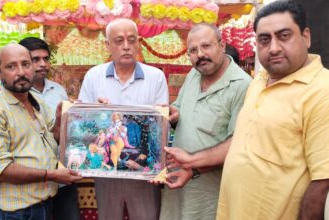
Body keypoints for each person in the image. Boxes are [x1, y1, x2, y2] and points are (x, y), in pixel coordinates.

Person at [217, 1, 329, 219]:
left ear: (306, 37)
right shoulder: (260, 80)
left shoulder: (322, 90)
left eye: (284, 36)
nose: (274, 47)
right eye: (264, 39)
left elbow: (322, 182)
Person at [0, 43, 82, 220]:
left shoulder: (35, 99)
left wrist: (61, 118)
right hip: (14, 213)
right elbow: (0, 170)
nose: (21, 72)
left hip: (43, 205)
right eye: (11, 66)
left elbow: (52, 139)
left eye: (26, 64)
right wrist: (51, 175)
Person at [159, 23, 251, 220]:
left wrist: (193, 169)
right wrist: (174, 113)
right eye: (193, 50)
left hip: (208, 190)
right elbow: (181, 108)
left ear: (222, 45)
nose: (200, 54)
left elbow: (238, 145)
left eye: (206, 46)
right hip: (176, 182)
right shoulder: (194, 73)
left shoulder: (242, 86)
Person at [78, 18, 168, 220]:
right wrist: (97, 114)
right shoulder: (94, 76)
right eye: (119, 41)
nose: (126, 46)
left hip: (143, 173)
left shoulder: (155, 77)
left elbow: (160, 127)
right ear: (107, 45)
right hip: (107, 170)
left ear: (139, 42)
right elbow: (84, 126)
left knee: (146, 216)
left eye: (131, 40)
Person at [19, 37, 79, 220]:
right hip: (33, 180)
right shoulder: (18, 93)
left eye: (45, 59)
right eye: (36, 59)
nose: (42, 64)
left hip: (62, 176)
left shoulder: (58, 90)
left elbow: (64, 132)